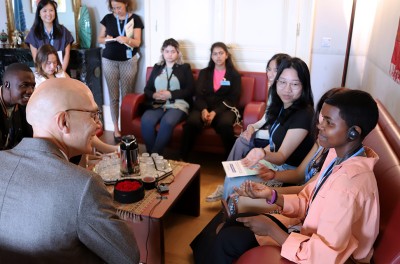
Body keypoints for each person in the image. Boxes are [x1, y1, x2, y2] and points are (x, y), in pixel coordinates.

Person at [210, 89, 379, 264]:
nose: (320, 126)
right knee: (235, 222)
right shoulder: (337, 156)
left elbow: (324, 257)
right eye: (322, 119)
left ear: (353, 132)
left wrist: (271, 229)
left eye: (329, 123)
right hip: (309, 234)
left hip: (328, 257)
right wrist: (272, 195)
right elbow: (309, 201)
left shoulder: (347, 186)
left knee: (228, 240)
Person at [0, 78, 140, 263]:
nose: (99, 125)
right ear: (63, 121)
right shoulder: (83, 185)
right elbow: (128, 256)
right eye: (94, 115)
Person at [221, 57, 315, 201]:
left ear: (304, 86)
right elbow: (274, 144)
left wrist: (261, 153)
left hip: (285, 171)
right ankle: (228, 216)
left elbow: (282, 156)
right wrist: (257, 157)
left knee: (236, 184)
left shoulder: (304, 114)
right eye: (282, 82)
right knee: (231, 176)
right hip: (275, 164)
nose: (287, 89)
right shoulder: (282, 105)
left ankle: (233, 219)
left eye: (295, 84)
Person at [206, 53, 291, 202]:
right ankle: (229, 181)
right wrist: (252, 126)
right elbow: (267, 117)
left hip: (276, 139)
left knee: (242, 140)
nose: (270, 74)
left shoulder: (286, 92)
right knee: (244, 137)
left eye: (275, 70)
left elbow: (279, 132)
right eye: (268, 69)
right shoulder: (273, 89)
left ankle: (228, 182)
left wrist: (254, 133)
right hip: (270, 132)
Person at [33, 44, 118, 155]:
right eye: (48, 63)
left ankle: (94, 154)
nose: (52, 66)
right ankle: (103, 150)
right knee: (81, 125)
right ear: (40, 62)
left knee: (86, 121)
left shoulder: (60, 73)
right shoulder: (38, 80)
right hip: (54, 118)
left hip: (70, 110)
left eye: (54, 62)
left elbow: (74, 88)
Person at [180, 42, 241, 159]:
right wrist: (204, 110)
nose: (218, 56)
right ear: (211, 56)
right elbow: (198, 95)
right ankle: (183, 158)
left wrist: (215, 112)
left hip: (224, 108)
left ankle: (232, 161)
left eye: (221, 53)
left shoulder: (234, 75)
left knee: (225, 125)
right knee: (191, 122)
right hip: (203, 106)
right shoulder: (204, 73)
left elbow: (233, 98)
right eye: (215, 54)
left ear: (226, 55)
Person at [99, 0, 144, 142]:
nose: (116, 10)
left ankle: (127, 128)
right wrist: (106, 39)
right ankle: (116, 129)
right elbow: (99, 39)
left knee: (127, 98)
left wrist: (126, 39)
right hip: (109, 61)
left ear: (126, 4)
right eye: (113, 8)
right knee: (113, 96)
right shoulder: (107, 18)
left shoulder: (135, 19)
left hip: (128, 61)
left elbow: (138, 42)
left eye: (119, 7)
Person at [141, 38, 194, 155]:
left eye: (173, 51)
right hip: (159, 103)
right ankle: (151, 153)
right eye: (167, 51)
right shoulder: (157, 67)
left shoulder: (184, 68)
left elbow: (190, 90)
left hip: (178, 104)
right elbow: (147, 89)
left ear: (178, 53)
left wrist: (170, 94)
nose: (170, 55)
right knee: (146, 120)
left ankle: (155, 155)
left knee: (168, 121)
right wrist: (154, 94)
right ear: (163, 52)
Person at [25, 0, 74, 72]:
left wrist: (61, 72)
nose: (48, 14)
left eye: (51, 10)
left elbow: (67, 54)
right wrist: (45, 74)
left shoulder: (63, 31)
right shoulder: (34, 33)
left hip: (61, 72)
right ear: (39, 13)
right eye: (44, 11)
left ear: (55, 12)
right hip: (43, 74)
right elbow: (36, 58)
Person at [0, 63, 35, 150]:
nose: (30, 91)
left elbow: (29, 138)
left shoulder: (23, 105)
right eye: (24, 85)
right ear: (7, 85)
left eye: (32, 86)